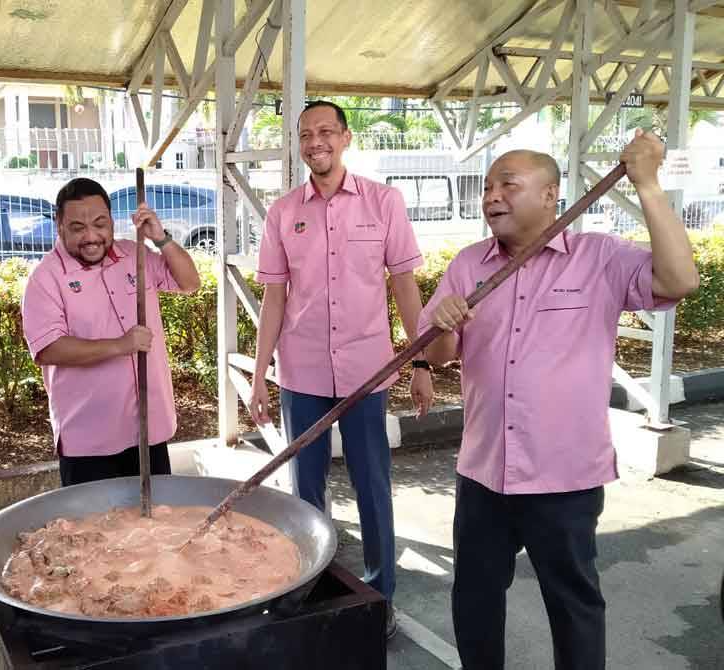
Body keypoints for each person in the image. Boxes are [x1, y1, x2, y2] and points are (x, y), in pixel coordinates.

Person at [419, 130, 699, 669]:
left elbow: (680, 279)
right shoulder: (469, 264)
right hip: (484, 472)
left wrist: (647, 185)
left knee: (573, 602)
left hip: (564, 476)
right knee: (474, 596)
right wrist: (444, 322)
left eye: (508, 184)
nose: (491, 196)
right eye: (486, 187)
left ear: (550, 195)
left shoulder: (599, 257)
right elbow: (442, 353)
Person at [249, 100, 434, 638]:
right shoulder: (284, 212)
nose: (315, 142)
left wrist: (420, 359)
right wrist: (261, 375)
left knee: (372, 483)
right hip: (302, 372)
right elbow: (275, 299)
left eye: (326, 131)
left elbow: (404, 284)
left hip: (366, 372)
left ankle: (379, 597)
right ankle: (313, 590)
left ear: (346, 138)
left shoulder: (383, 202)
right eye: (305, 134)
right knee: (305, 491)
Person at [21, 178, 200, 486]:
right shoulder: (45, 278)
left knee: (155, 524)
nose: (92, 236)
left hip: (148, 427)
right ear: (59, 226)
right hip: (90, 440)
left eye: (100, 224)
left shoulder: (135, 255)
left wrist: (161, 239)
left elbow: (190, 283)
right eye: (78, 227)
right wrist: (120, 345)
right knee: (94, 530)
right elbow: (49, 349)